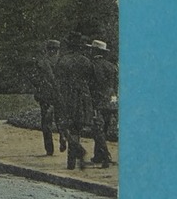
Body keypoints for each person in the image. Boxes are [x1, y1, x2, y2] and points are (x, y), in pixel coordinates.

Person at [54, 32, 93, 170]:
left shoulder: (63, 60)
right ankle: (74, 155)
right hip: (82, 96)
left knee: (66, 125)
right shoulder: (86, 61)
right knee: (77, 127)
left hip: (66, 95)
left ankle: (75, 153)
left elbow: (57, 79)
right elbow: (91, 80)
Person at [26, 39, 63, 156]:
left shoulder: (41, 62)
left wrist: (40, 87)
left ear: (47, 49)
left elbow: (33, 78)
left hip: (45, 95)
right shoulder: (62, 62)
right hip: (60, 95)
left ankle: (49, 149)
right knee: (61, 120)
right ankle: (63, 138)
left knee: (46, 122)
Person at [87, 39, 117, 168]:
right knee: (103, 128)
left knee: (97, 129)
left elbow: (89, 85)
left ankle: (105, 155)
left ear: (94, 51)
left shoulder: (92, 65)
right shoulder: (111, 66)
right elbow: (115, 85)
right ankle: (98, 155)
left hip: (96, 101)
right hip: (110, 101)